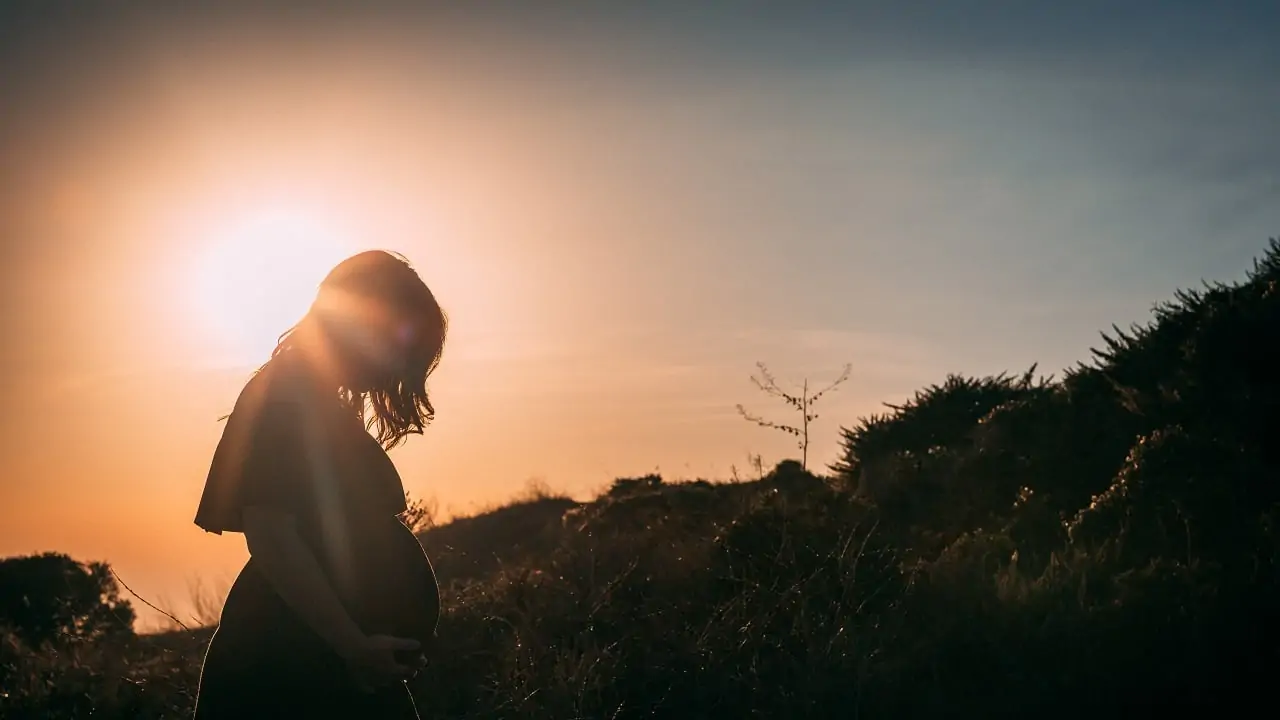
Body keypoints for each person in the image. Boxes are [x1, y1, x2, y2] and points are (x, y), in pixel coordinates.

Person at [191, 250, 447, 718]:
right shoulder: (288, 393)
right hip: (289, 665)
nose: (400, 364)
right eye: (400, 341)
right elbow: (271, 534)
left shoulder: (313, 397)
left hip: (329, 660)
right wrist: (353, 645)